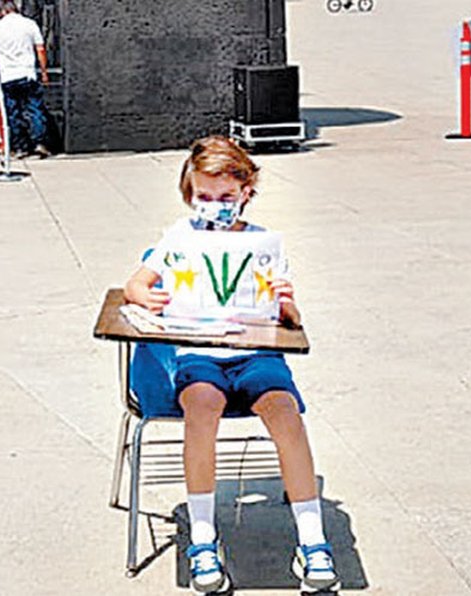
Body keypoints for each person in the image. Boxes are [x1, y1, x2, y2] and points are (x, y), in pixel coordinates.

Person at [124, 136, 340, 594]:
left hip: (255, 351)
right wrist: (145, 295)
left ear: (246, 191)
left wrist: (287, 304)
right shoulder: (180, 238)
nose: (215, 205)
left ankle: (312, 538)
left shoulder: (262, 244)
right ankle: (203, 536)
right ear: (190, 193)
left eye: (226, 196)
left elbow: (290, 317)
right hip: (199, 352)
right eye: (205, 196)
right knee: (201, 406)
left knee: (286, 413)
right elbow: (135, 284)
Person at [0, 0, 51, 158]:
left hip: (7, 76)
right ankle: (39, 143)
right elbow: (40, 49)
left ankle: (20, 147)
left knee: (13, 113)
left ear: (3, 11)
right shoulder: (30, 24)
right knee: (35, 109)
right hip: (27, 73)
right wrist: (44, 72)